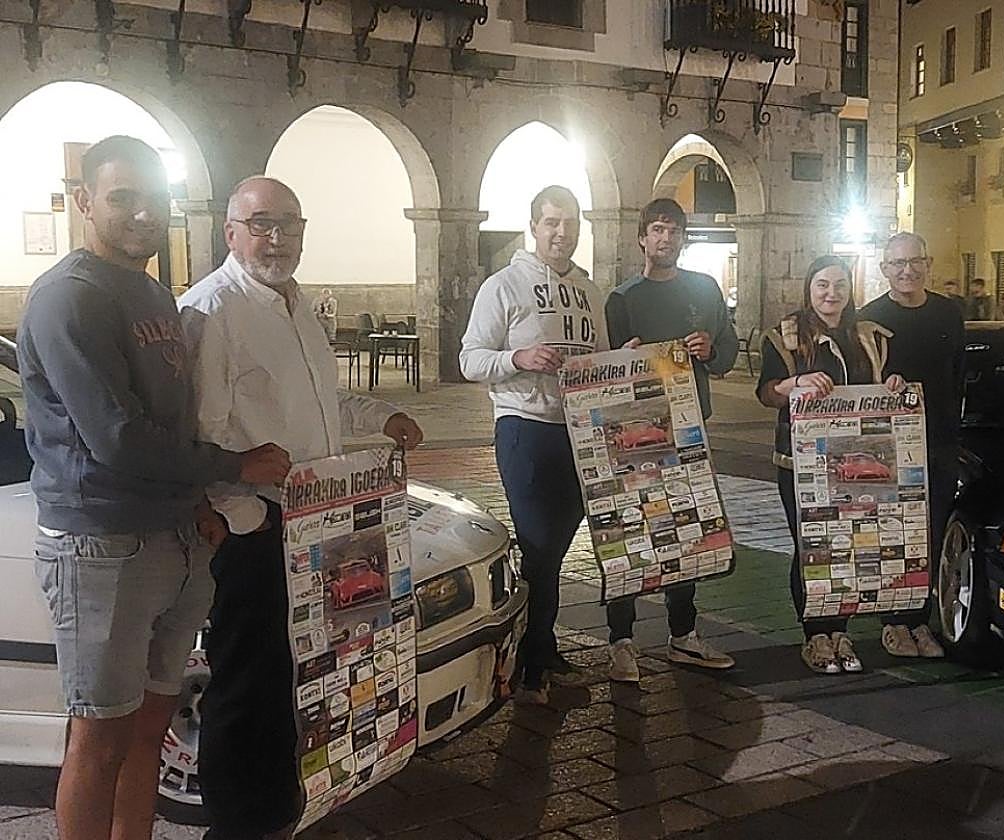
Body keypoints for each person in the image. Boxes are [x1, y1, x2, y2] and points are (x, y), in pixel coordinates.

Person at [17, 136, 290, 840]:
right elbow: (119, 438)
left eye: (155, 199)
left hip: (175, 535)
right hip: (102, 543)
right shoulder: (69, 299)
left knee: (147, 728)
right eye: (122, 198)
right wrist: (235, 467)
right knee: (97, 738)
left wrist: (199, 504)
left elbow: (173, 417)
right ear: (83, 201)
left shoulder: (147, 291)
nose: (143, 213)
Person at [179, 176, 423, 839]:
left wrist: (385, 415)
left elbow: (327, 404)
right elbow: (202, 431)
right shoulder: (211, 310)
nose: (276, 237)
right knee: (244, 681)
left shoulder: (297, 305)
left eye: (288, 223)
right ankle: (232, 823)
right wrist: (241, 519)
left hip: (318, 522)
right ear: (230, 232)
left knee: (303, 673)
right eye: (260, 224)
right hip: (258, 528)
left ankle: (284, 806)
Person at [460, 185, 610, 705]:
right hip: (525, 427)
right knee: (539, 547)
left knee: (554, 551)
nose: (561, 232)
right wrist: (517, 359)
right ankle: (527, 665)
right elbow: (470, 359)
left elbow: (602, 356)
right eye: (551, 222)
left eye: (569, 222)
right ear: (534, 225)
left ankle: (540, 648)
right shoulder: (502, 287)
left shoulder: (590, 291)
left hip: (579, 431)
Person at [603, 198, 738, 683]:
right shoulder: (622, 299)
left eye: (675, 231)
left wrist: (712, 348)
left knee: (689, 531)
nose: (666, 239)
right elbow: (609, 371)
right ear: (642, 237)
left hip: (690, 430)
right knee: (629, 534)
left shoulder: (704, 290)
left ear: (683, 238)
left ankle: (683, 635)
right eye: (657, 229)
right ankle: (621, 640)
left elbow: (727, 355)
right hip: (636, 436)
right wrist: (624, 359)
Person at [756, 255, 906, 674]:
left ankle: (839, 630)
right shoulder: (784, 337)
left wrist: (892, 384)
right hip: (800, 463)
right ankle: (815, 634)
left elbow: (884, 385)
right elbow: (766, 393)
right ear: (809, 288)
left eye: (839, 284)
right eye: (822, 284)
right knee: (811, 546)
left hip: (857, 459)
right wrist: (793, 384)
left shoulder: (869, 337)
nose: (831, 293)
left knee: (848, 544)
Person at [859, 231, 962, 659]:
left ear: (928, 263)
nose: (907, 270)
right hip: (892, 447)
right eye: (897, 264)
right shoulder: (868, 319)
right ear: (884, 269)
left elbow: (959, 375)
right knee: (893, 535)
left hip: (939, 442)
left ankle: (920, 620)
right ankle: (894, 624)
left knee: (931, 533)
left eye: (915, 261)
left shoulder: (949, 313)